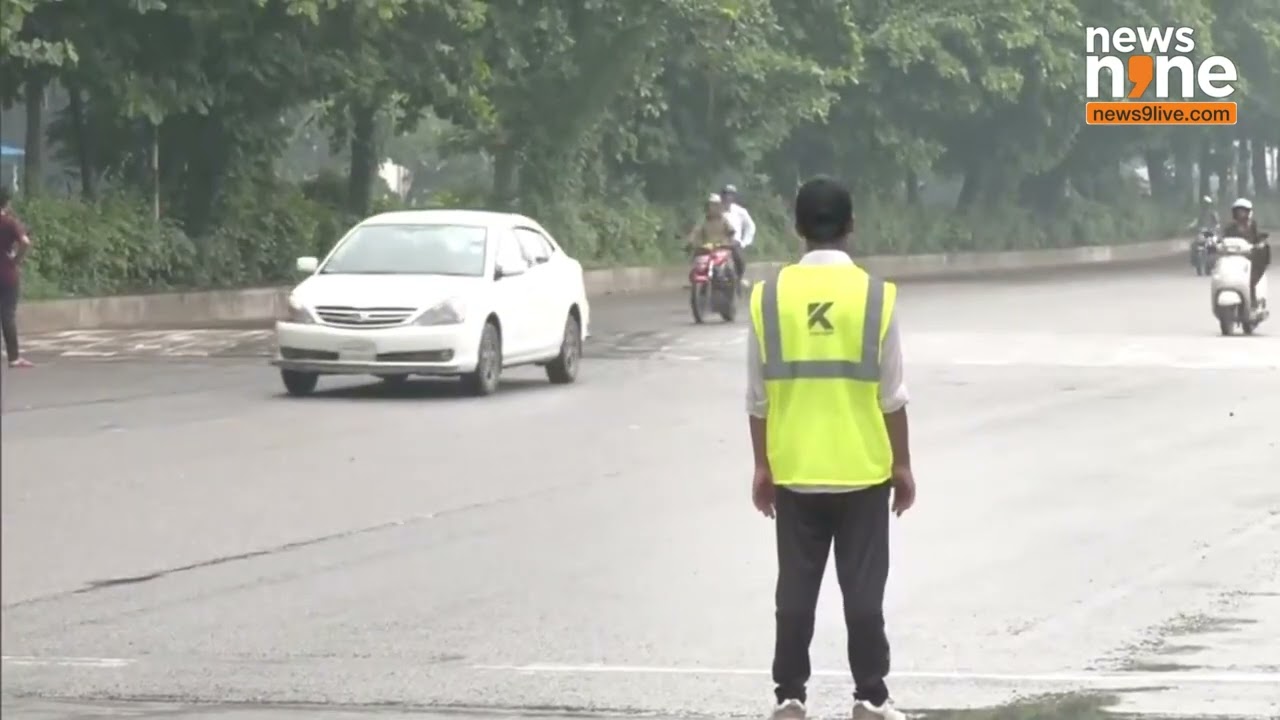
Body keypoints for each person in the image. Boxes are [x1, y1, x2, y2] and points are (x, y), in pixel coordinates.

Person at [746, 176, 914, 720]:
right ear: (850, 226)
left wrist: (762, 466)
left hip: (794, 470)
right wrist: (903, 465)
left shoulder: (768, 297)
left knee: (794, 593)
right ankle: (870, 697)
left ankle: (790, 695)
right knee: (863, 594)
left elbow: (757, 397)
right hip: (863, 471)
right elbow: (892, 396)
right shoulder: (875, 296)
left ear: (796, 228)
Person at [0, 185, 34, 369]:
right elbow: (25, 243)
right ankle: (13, 358)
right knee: (7, 315)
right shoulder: (10, 223)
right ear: (7, 202)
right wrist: (16, 260)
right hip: (6, 272)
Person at [1220, 197, 1269, 308]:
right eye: (1238, 211)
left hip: (1250, 259)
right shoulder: (1230, 227)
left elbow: (1260, 237)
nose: (1240, 214)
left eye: (1243, 211)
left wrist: (1259, 244)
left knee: (1251, 280)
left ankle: (1253, 302)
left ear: (1249, 212)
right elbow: (1222, 239)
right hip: (1233, 258)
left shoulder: (1253, 226)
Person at [721, 184, 755, 285]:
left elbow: (750, 226)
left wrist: (744, 242)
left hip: (734, 243)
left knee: (740, 261)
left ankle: (738, 280)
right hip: (718, 242)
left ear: (734, 197)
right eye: (726, 194)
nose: (728, 197)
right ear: (722, 196)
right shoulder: (716, 210)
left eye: (730, 195)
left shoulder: (740, 211)